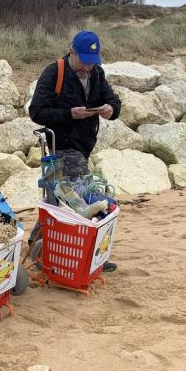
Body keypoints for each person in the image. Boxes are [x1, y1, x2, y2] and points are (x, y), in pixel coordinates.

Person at [28, 30, 121, 272]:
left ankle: (36, 244)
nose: (89, 68)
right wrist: (69, 114)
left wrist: (111, 109)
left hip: (84, 145)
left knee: (57, 195)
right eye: (85, 62)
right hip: (60, 146)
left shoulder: (97, 74)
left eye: (93, 63)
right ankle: (93, 255)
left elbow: (114, 100)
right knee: (84, 196)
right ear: (72, 52)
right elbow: (36, 111)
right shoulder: (54, 72)